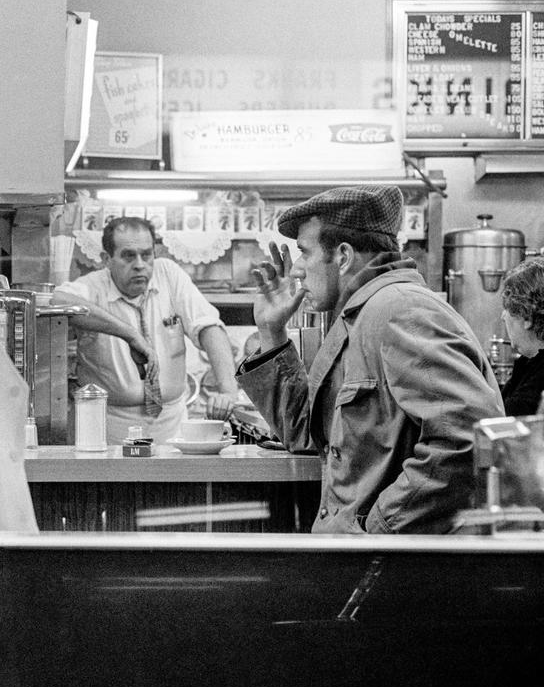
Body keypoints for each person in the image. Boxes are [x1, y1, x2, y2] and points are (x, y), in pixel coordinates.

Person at [239, 185, 504, 534]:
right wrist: (273, 333)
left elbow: (469, 439)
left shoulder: (400, 309)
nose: (298, 268)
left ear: (344, 256)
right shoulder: (359, 316)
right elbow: (309, 434)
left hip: (394, 570)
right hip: (365, 560)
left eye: (305, 252)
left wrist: (375, 531)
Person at [53, 216, 241, 443]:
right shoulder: (93, 286)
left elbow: (208, 326)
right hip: (107, 429)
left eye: (147, 254)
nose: (140, 264)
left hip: (172, 427)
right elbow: (53, 300)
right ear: (107, 259)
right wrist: (128, 333)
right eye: (128, 256)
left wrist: (228, 390)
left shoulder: (168, 274)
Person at [499, 256, 544, 416]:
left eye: (507, 308)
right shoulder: (527, 364)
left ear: (527, 317)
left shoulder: (526, 401)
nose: (503, 316)